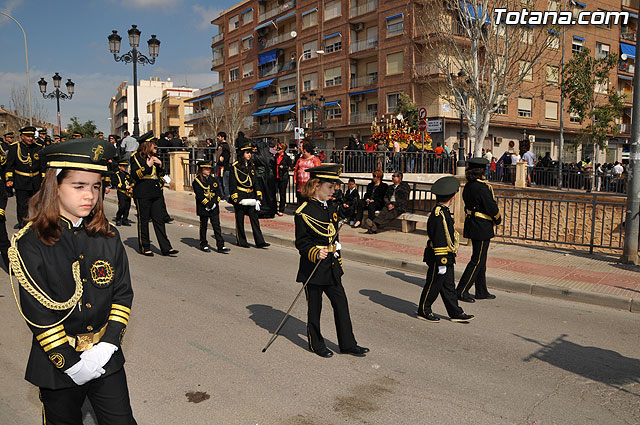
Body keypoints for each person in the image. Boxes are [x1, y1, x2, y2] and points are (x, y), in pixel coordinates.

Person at [8, 138, 137, 424]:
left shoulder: (108, 235)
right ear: (55, 185)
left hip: (106, 357)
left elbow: (122, 294)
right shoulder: (31, 242)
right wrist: (70, 363)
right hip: (58, 364)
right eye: (78, 186)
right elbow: (37, 312)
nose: (89, 195)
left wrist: (107, 345)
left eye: (95, 186)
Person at [295, 164, 369, 358]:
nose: (333, 190)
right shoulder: (304, 211)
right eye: (330, 186)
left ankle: (347, 344)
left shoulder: (331, 207)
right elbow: (301, 242)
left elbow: (332, 235)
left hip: (332, 267)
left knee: (341, 304)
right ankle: (316, 344)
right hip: (314, 267)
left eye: (335, 186)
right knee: (315, 308)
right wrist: (314, 252)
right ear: (316, 185)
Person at [417, 176, 474, 323]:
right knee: (434, 283)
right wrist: (442, 261)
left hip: (446, 255)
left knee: (448, 285)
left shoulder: (443, 211)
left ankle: (455, 312)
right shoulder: (438, 214)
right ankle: (424, 309)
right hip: (439, 256)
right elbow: (439, 238)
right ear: (452, 197)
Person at [456, 158, 501, 303]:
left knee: (481, 259)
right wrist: (498, 219)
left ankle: (481, 291)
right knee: (477, 260)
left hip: (473, 223)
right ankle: (462, 290)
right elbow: (491, 207)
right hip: (481, 226)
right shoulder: (482, 187)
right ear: (481, 171)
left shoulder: (469, 185)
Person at [130, 139, 178, 257]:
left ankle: (166, 247)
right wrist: (147, 166)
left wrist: (160, 165)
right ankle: (145, 247)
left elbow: (160, 175)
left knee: (159, 220)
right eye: (153, 146)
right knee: (144, 220)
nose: (156, 148)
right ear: (147, 146)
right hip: (142, 192)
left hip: (155, 191)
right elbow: (136, 175)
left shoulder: (154, 156)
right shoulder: (136, 157)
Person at [229, 138, 270, 249]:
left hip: (251, 196)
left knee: (255, 219)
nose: (249, 155)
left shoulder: (251, 166)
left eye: (250, 153)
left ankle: (260, 241)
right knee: (240, 220)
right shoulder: (235, 167)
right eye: (247, 153)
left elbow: (255, 182)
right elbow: (232, 185)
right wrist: (236, 198)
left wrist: (258, 196)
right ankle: (241, 241)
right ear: (242, 153)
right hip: (241, 196)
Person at [5, 126, 45, 228]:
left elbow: (42, 166)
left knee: (37, 204)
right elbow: (9, 166)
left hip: (35, 181)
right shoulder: (15, 148)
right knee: (22, 206)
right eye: (28, 136)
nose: (30, 138)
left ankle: (37, 224)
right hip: (21, 181)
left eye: (32, 136)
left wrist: (43, 180)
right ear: (22, 136)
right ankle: (23, 225)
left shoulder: (38, 148)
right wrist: (9, 179)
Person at [192, 160, 230, 253]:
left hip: (213, 207)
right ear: (201, 169)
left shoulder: (213, 180)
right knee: (203, 226)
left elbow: (218, 193)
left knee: (217, 226)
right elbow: (199, 195)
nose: (208, 170)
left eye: (209, 168)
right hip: (203, 207)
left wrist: (214, 203)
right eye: (206, 168)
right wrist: (207, 204)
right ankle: (203, 244)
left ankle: (220, 245)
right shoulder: (197, 181)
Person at [273, 141, 293, 216]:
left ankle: (281, 209)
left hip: (283, 177)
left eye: (279, 148)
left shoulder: (286, 158)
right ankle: (274, 208)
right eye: (277, 148)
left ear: (283, 149)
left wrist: (284, 167)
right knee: (273, 193)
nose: (278, 149)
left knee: (282, 194)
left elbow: (291, 167)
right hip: (276, 177)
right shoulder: (275, 156)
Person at [114, 156, 133, 226]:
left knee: (127, 206)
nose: (125, 168)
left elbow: (132, 181)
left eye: (126, 166)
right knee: (122, 206)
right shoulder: (117, 174)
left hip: (128, 192)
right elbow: (116, 183)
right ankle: (118, 218)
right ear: (119, 166)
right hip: (121, 192)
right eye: (123, 166)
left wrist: (132, 186)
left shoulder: (127, 175)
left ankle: (125, 219)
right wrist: (125, 187)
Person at [216, 132, 231, 201]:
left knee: (225, 183)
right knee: (219, 182)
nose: (217, 138)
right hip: (219, 166)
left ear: (223, 137)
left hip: (224, 167)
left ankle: (227, 196)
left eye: (219, 136)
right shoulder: (220, 145)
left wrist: (222, 164)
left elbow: (226, 156)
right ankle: (222, 196)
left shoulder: (226, 146)